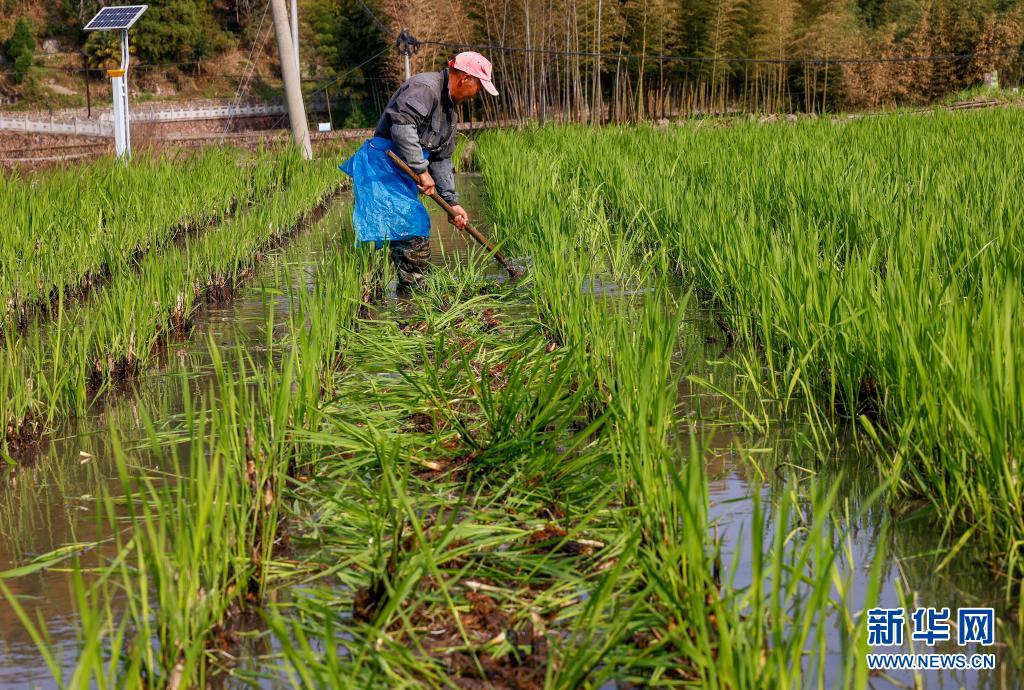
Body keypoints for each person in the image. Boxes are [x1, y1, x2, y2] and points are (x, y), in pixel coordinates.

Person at [340, 51, 498, 297]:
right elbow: (402, 126)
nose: (478, 92)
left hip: (404, 172)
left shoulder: (449, 112)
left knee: (406, 233)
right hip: (383, 169)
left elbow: (442, 158)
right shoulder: (425, 87)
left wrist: (451, 203)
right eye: (479, 85)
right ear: (465, 78)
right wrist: (421, 170)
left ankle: (407, 298)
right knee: (402, 231)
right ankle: (390, 298)